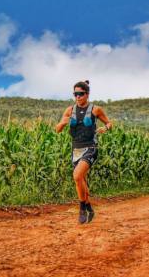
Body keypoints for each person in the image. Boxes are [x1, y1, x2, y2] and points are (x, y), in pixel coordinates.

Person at [55, 80, 112, 224]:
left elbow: (109, 123)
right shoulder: (70, 110)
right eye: (75, 94)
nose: (78, 97)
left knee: (77, 175)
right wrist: (62, 123)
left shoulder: (95, 110)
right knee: (80, 180)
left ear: (87, 94)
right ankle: (89, 207)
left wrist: (105, 128)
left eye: (81, 94)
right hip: (76, 149)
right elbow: (57, 129)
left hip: (90, 148)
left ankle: (81, 209)